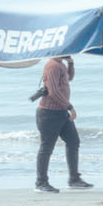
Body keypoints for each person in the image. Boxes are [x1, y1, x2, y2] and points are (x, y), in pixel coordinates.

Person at [33, 55, 92, 192]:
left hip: (61, 112)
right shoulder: (52, 65)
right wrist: (70, 107)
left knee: (73, 142)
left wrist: (70, 63)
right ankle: (41, 183)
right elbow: (53, 92)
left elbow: (69, 78)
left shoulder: (60, 64)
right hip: (49, 113)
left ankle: (74, 179)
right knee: (46, 148)